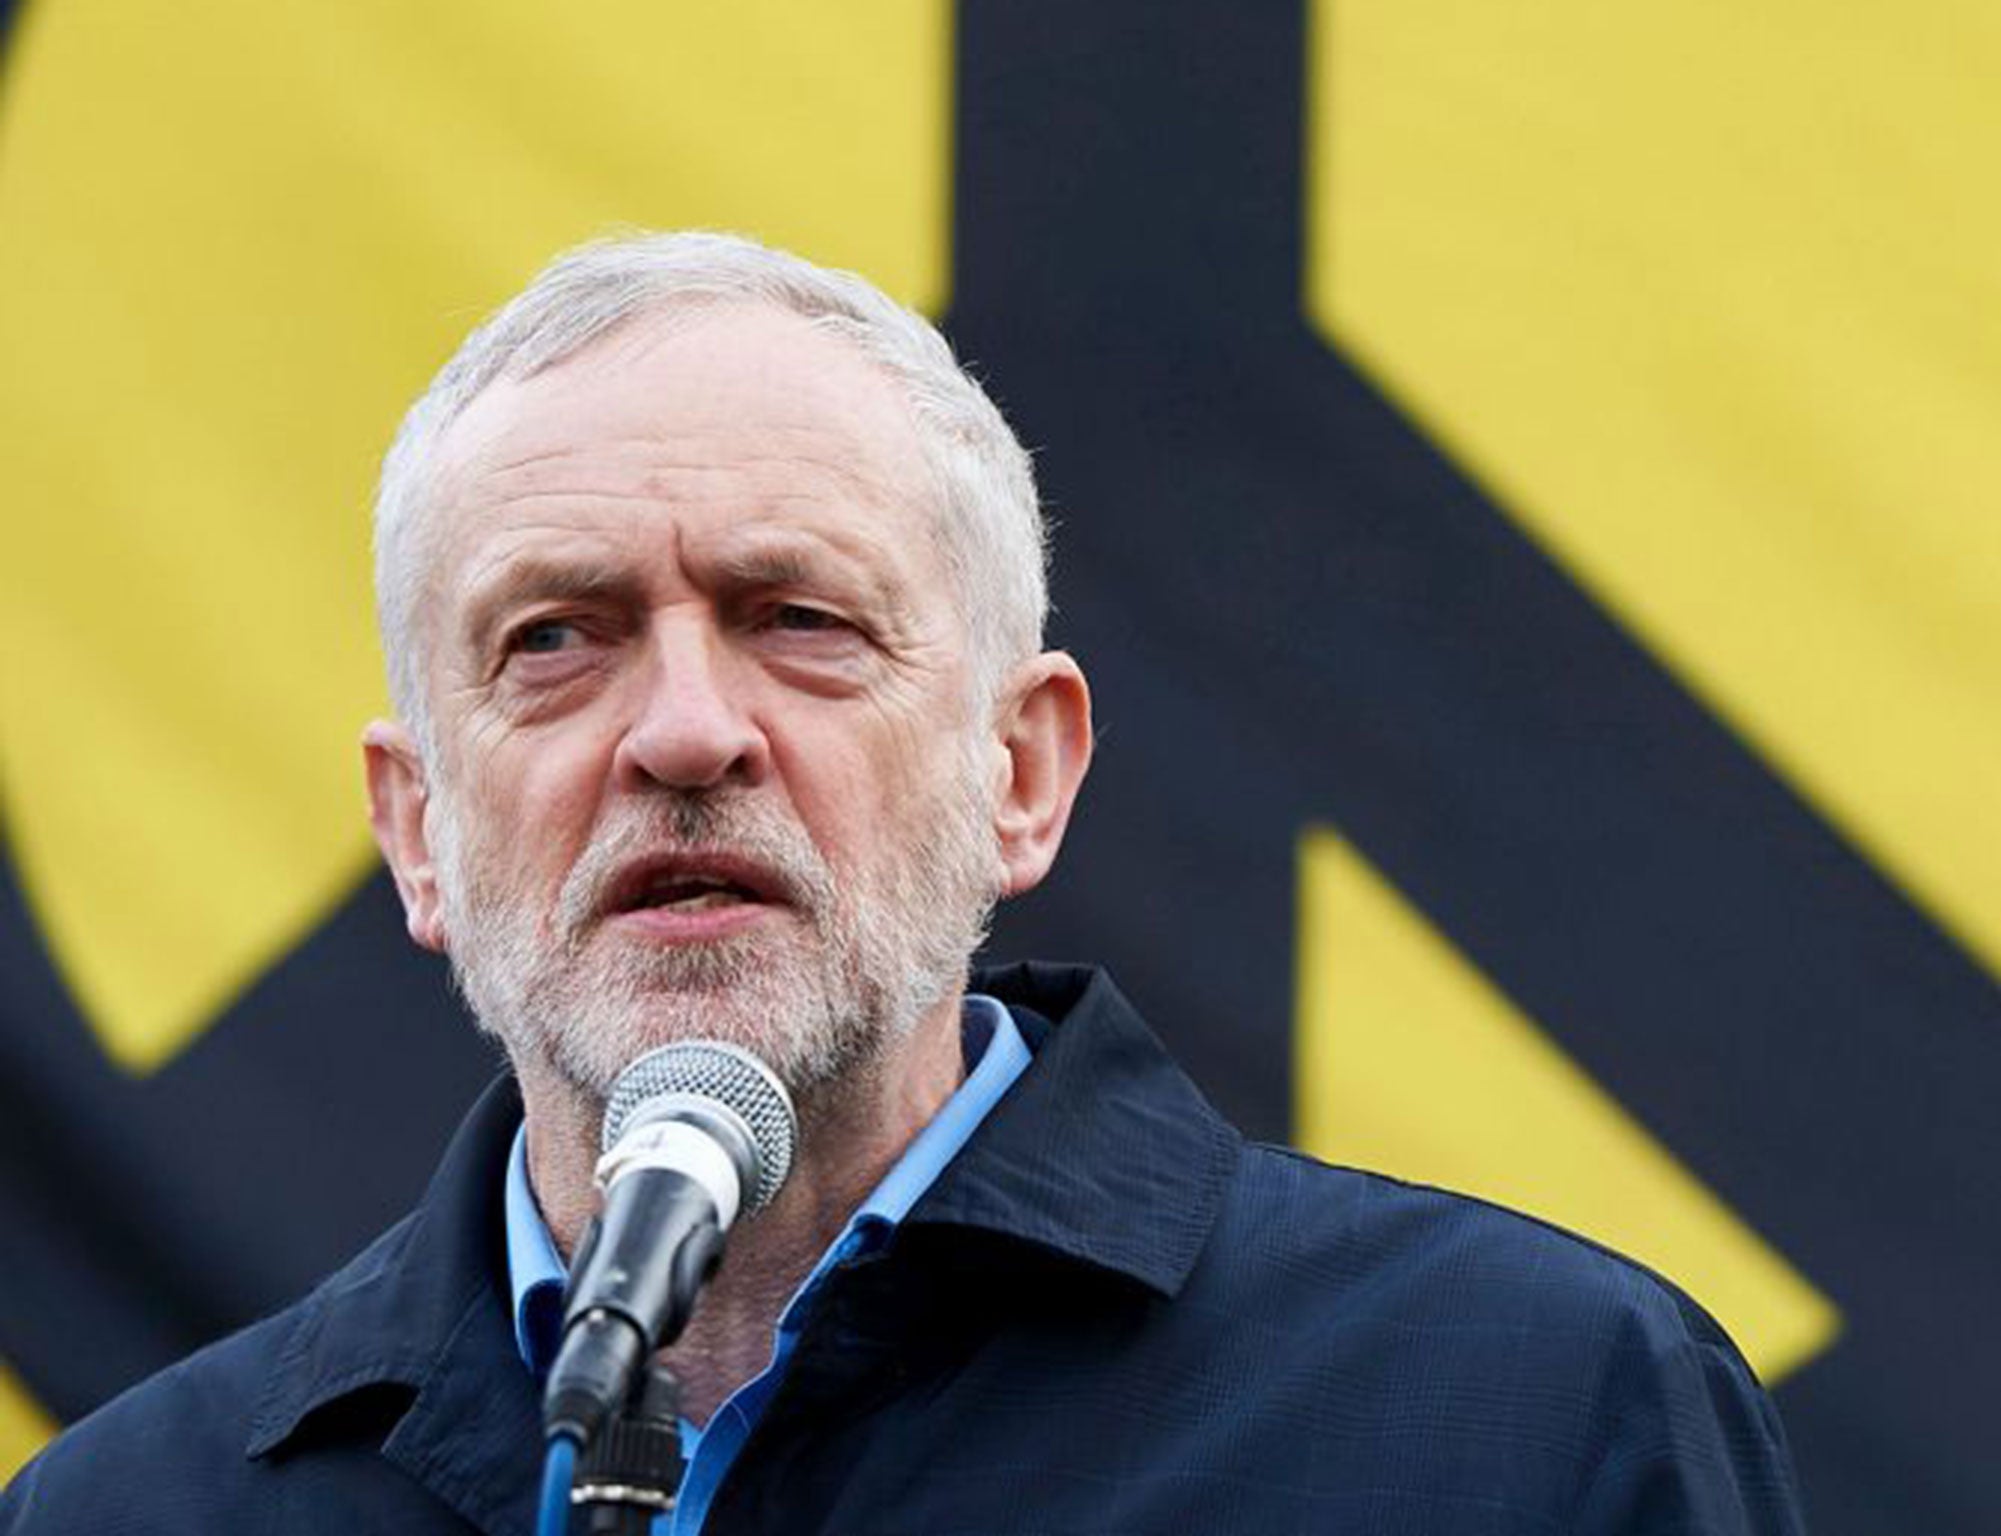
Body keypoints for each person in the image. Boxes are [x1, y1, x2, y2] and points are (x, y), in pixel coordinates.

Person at [0, 232, 1806, 1534]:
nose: (688, 732)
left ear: (1020, 774)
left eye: (801, 621)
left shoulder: (1520, 1418)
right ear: (416, 832)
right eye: (557, 638)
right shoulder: (134, 1508)